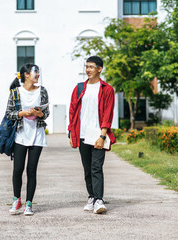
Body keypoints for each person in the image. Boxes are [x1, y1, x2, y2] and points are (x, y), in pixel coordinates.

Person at [68, 56, 116, 214]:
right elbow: (73, 111)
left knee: (96, 167)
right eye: (86, 67)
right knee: (87, 169)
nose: (88, 70)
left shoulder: (107, 89)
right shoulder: (80, 88)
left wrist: (102, 136)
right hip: (82, 134)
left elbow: (108, 114)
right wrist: (71, 132)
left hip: (97, 134)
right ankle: (91, 197)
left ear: (100, 69)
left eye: (91, 67)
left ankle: (99, 200)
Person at [6, 63, 49, 216]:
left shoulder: (42, 91)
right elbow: (9, 113)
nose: (37, 75)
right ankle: (16, 199)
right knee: (18, 169)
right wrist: (23, 113)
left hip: (37, 135)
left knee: (31, 170)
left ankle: (29, 203)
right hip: (20, 135)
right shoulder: (16, 92)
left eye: (38, 72)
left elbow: (46, 113)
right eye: (35, 72)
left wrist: (39, 114)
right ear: (26, 75)